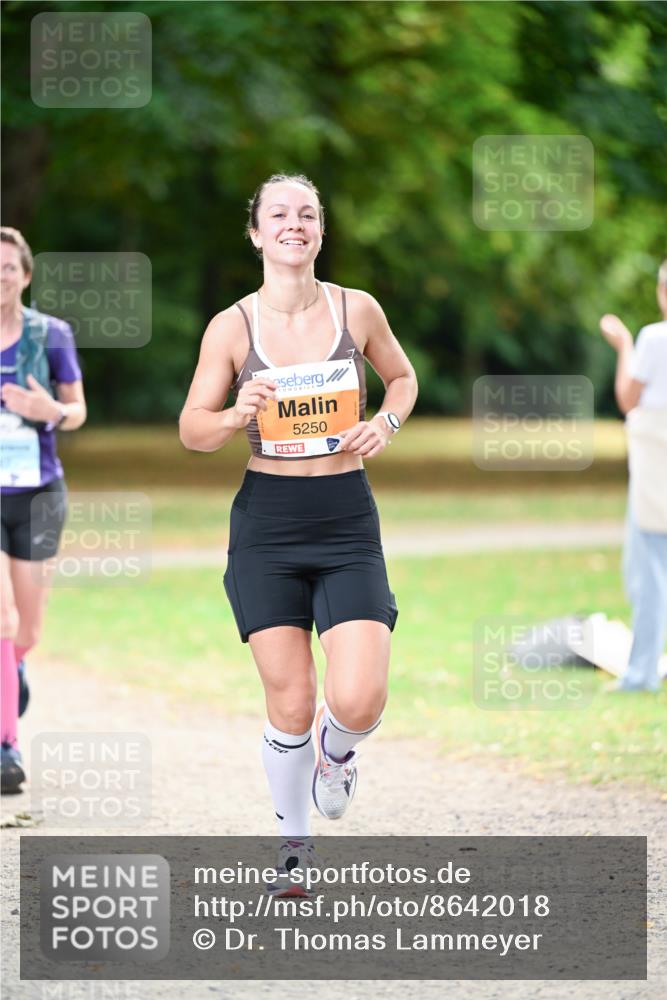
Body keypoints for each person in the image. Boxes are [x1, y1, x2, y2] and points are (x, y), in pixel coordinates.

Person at [180, 173, 417, 890]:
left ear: (320, 231)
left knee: (358, 700)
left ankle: (337, 755)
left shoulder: (358, 309)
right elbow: (193, 430)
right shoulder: (231, 326)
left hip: (345, 518)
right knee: (288, 701)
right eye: (278, 214)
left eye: (306, 214)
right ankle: (294, 847)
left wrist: (384, 422)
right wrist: (233, 414)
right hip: (267, 525)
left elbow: (402, 380)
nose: (293, 224)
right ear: (255, 233)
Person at [1, 227, 86, 792]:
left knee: (27, 628)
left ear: (25, 276)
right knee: (2, 622)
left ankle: (14, 670)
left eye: (9, 267)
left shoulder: (50, 334)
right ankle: (6, 747)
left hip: (37, 493)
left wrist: (47, 407)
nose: (0, 276)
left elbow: (78, 412)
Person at [599, 258, 667, 692]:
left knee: (647, 570)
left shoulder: (655, 337)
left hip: (656, 463)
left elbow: (628, 397)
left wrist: (623, 343)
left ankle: (642, 672)